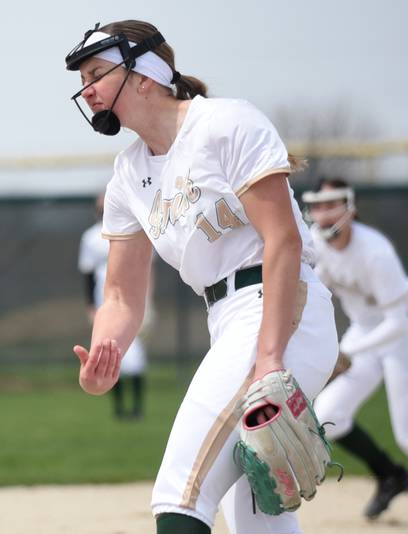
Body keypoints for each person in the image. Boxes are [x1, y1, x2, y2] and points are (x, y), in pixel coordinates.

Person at [65, 20, 338, 534]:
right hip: (229, 321)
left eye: (98, 72)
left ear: (144, 76)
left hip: (280, 309)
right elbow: (122, 296)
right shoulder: (128, 176)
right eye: (84, 78)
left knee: (180, 493)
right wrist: (107, 350)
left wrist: (269, 358)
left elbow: (283, 241)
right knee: (254, 517)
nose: (88, 89)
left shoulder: (223, 124)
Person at [303, 177, 408, 520]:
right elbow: (317, 295)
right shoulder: (317, 243)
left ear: (350, 207)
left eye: (332, 204)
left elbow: (399, 323)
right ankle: (390, 475)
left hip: (405, 332)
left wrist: (348, 351)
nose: (323, 213)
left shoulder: (375, 251)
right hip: (365, 333)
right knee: (327, 417)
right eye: (318, 205)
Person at [78, 192, 149, 420]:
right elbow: (87, 275)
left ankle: (137, 408)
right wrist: (90, 306)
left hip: (132, 302)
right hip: (106, 303)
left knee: (135, 356)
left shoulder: (137, 230)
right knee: (106, 354)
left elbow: (148, 269)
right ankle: (119, 409)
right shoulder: (90, 237)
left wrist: (150, 301)